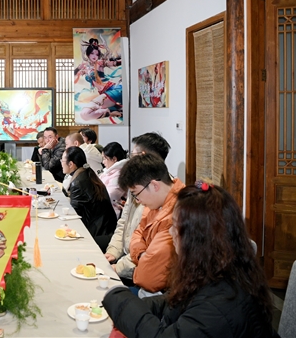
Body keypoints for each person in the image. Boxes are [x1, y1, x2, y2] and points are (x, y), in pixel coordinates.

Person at [103, 183, 276, 338]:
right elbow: (174, 303)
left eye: (175, 226)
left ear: (197, 238)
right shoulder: (217, 268)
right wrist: (133, 306)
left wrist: (119, 299)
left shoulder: (220, 303)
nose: (171, 232)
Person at [104, 132, 171, 285]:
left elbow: (150, 251)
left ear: (142, 156)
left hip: (140, 272)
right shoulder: (140, 185)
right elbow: (125, 223)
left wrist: (119, 267)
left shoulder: (159, 194)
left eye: (132, 155)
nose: (138, 199)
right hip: (127, 259)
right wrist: (113, 250)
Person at [117, 154, 185, 297]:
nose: (137, 200)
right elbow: (137, 233)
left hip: (164, 294)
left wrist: (141, 258)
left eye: (136, 194)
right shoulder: (157, 202)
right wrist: (143, 255)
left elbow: (147, 278)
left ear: (154, 185)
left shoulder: (178, 213)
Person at [62, 146, 117, 251]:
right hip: (107, 227)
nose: (61, 163)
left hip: (99, 232)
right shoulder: (87, 172)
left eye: (62, 160)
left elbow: (74, 214)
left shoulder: (78, 182)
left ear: (71, 164)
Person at [98, 142, 128, 216]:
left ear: (114, 159)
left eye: (105, 159)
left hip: (111, 213)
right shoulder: (109, 171)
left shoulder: (120, 174)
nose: (103, 162)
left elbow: (110, 195)